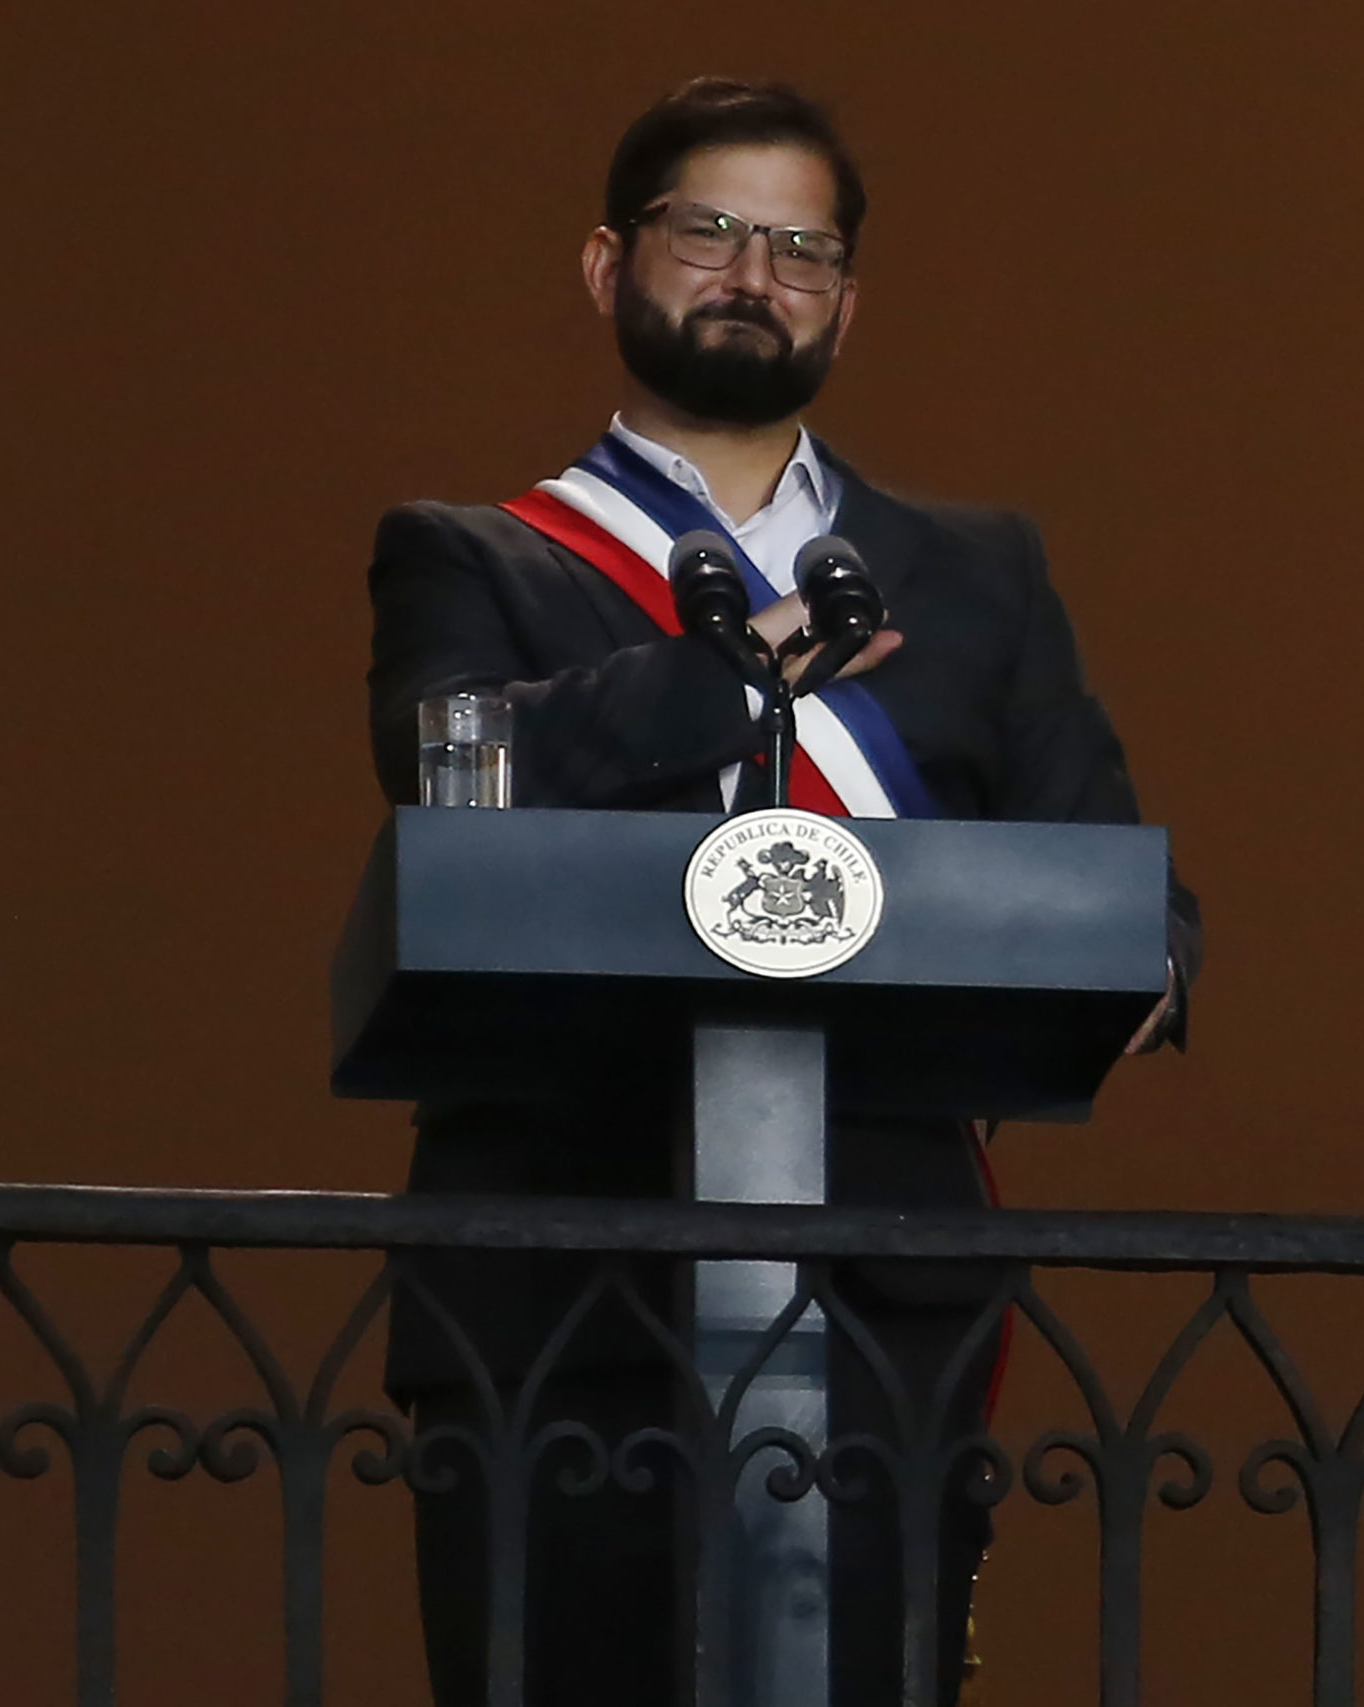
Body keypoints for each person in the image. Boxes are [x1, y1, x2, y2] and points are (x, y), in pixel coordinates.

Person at [364, 77, 1201, 1706]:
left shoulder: (977, 570)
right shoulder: (474, 556)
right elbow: (450, 783)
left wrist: (1156, 955)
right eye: (713, 231)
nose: (757, 274)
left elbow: (1107, 863)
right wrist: (724, 677)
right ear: (609, 265)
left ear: (847, 301)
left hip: (885, 1284)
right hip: (556, 1284)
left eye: (803, 247)